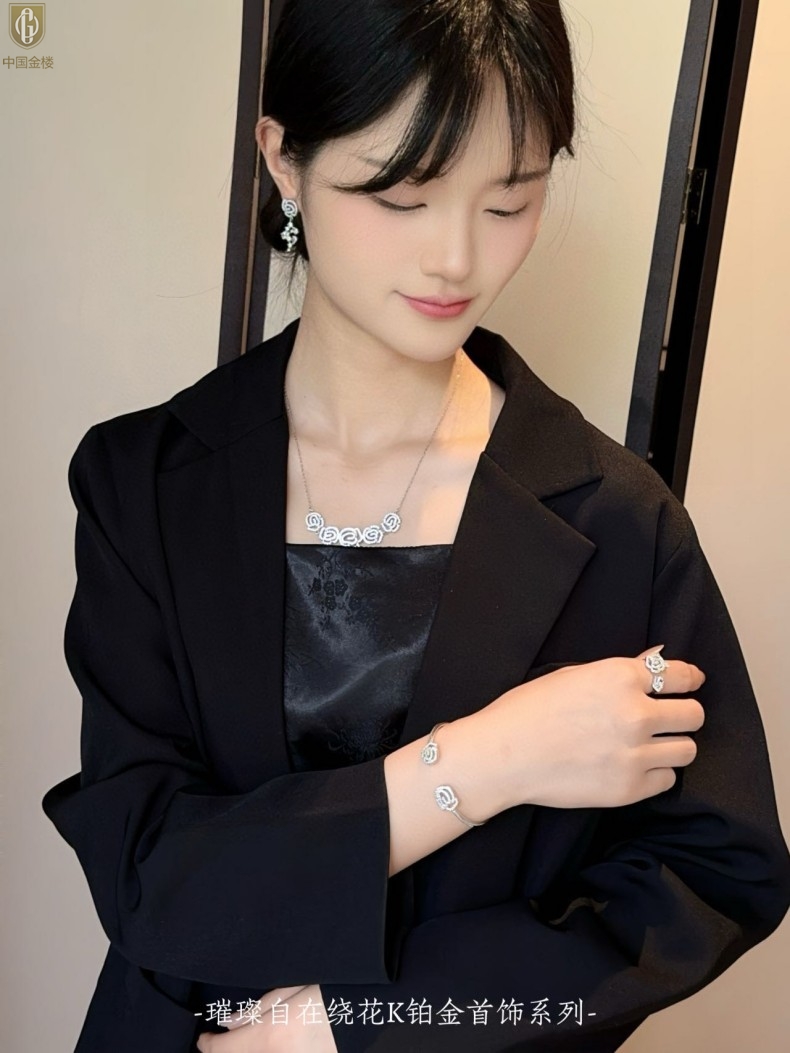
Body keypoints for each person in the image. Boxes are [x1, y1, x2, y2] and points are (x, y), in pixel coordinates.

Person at [41, 2, 790, 1051]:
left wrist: (362, 1022)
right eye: (401, 196)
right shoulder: (146, 484)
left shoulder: (620, 522)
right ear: (285, 159)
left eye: (510, 200)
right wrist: (485, 761)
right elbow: (146, 874)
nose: (456, 258)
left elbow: (713, 874)